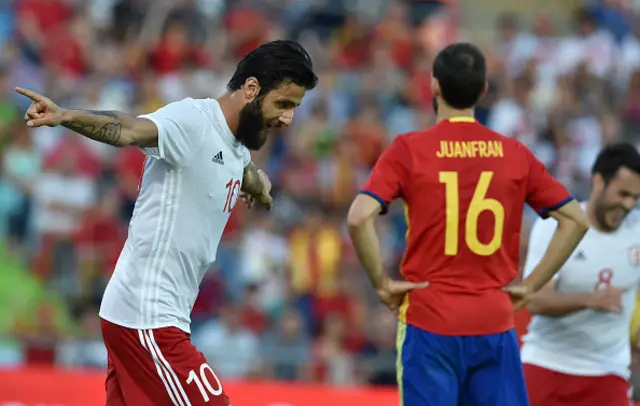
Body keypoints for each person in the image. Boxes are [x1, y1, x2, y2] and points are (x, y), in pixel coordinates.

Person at [17, 39, 317, 406]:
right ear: (251, 89)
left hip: (142, 315)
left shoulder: (236, 146)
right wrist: (66, 116)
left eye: (294, 108)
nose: (287, 118)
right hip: (148, 316)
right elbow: (128, 129)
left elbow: (241, 167)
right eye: (283, 104)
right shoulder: (193, 121)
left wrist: (260, 187)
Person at [346, 42, 590, 406]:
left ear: (434, 86)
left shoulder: (409, 149)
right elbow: (575, 219)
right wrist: (532, 284)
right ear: (483, 91)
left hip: (429, 321)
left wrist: (382, 283)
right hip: (493, 321)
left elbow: (358, 217)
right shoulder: (514, 153)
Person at [521, 142, 640, 406]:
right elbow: (535, 300)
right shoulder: (558, 225)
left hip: (607, 371)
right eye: (622, 194)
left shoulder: (637, 231)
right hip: (546, 362)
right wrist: (591, 300)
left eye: (635, 197)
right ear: (598, 181)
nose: (628, 204)